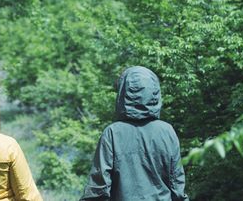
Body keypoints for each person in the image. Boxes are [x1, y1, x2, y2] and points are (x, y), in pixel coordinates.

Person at [80, 66, 189, 201]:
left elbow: (99, 188)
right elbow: (176, 184)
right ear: (154, 92)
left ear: (123, 93)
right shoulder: (167, 132)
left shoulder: (113, 133)